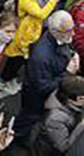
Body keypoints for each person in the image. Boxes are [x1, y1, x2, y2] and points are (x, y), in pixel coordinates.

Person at [16, 10, 78, 138]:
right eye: (68, 31)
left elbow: (66, 47)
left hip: (49, 94)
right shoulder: (41, 56)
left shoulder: (61, 37)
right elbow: (42, 87)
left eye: (73, 28)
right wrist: (67, 73)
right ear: (54, 32)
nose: (73, 33)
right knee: (28, 119)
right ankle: (17, 138)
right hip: (36, 99)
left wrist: (72, 54)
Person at [2, 0, 64, 82]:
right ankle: (5, 80)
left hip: (31, 33)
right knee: (16, 58)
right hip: (23, 34)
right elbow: (41, 14)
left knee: (21, 58)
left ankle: (10, 78)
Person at [33, 75, 84, 156]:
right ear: (80, 99)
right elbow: (63, 146)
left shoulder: (65, 93)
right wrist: (81, 125)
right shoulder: (55, 119)